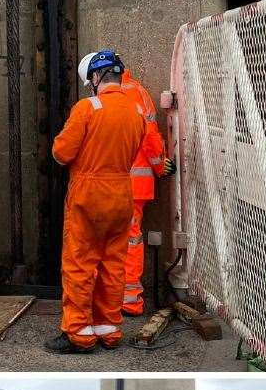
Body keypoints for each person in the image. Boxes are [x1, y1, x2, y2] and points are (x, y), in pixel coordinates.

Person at [46, 49, 145, 354]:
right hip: (121, 194)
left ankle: (78, 333)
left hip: (89, 194)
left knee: (79, 264)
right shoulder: (136, 111)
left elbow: (62, 153)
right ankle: (109, 329)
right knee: (113, 265)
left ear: (96, 76)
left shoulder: (87, 108)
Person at [111, 62, 175, 315]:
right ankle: (127, 299)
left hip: (120, 182)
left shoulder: (113, 96)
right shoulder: (136, 92)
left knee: (123, 239)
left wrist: (159, 166)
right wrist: (160, 166)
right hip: (134, 182)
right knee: (130, 238)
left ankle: (126, 300)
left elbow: (147, 135)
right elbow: (151, 135)